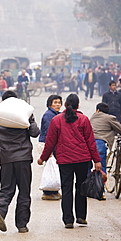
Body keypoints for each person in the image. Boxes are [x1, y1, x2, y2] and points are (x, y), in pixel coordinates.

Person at [38, 94, 101, 229]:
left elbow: (50, 142)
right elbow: (91, 142)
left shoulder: (56, 120)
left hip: (64, 160)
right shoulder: (84, 119)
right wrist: (97, 160)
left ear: (65, 104)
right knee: (81, 188)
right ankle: (81, 217)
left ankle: (68, 220)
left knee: (66, 189)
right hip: (82, 160)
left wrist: (42, 158)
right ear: (78, 105)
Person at [0, 90, 40, 233]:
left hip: (6, 158)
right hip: (23, 157)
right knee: (24, 191)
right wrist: (30, 120)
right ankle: (22, 224)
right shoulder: (24, 114)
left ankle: (0, 209)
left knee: (6, 188)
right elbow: (35, 132)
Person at [89, 103, 121, 193]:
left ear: (97, 110)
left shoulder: (93, 117)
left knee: (87, 166)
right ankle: (101, 191)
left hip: (88, 143)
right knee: (101, 166)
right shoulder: (110, 118)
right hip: (100, 143)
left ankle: (88, 189)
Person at [38, 95, 62, 200]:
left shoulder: (57, 114)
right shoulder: (48, 115)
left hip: (55, 144)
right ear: (50, 104)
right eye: (55, 102)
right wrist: (50, 149)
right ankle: (48, 192)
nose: (57, 104)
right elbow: (49, 132)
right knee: (50, 167)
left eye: (59, 102)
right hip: (49, 144)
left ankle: (54, 190)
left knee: (54, 167)